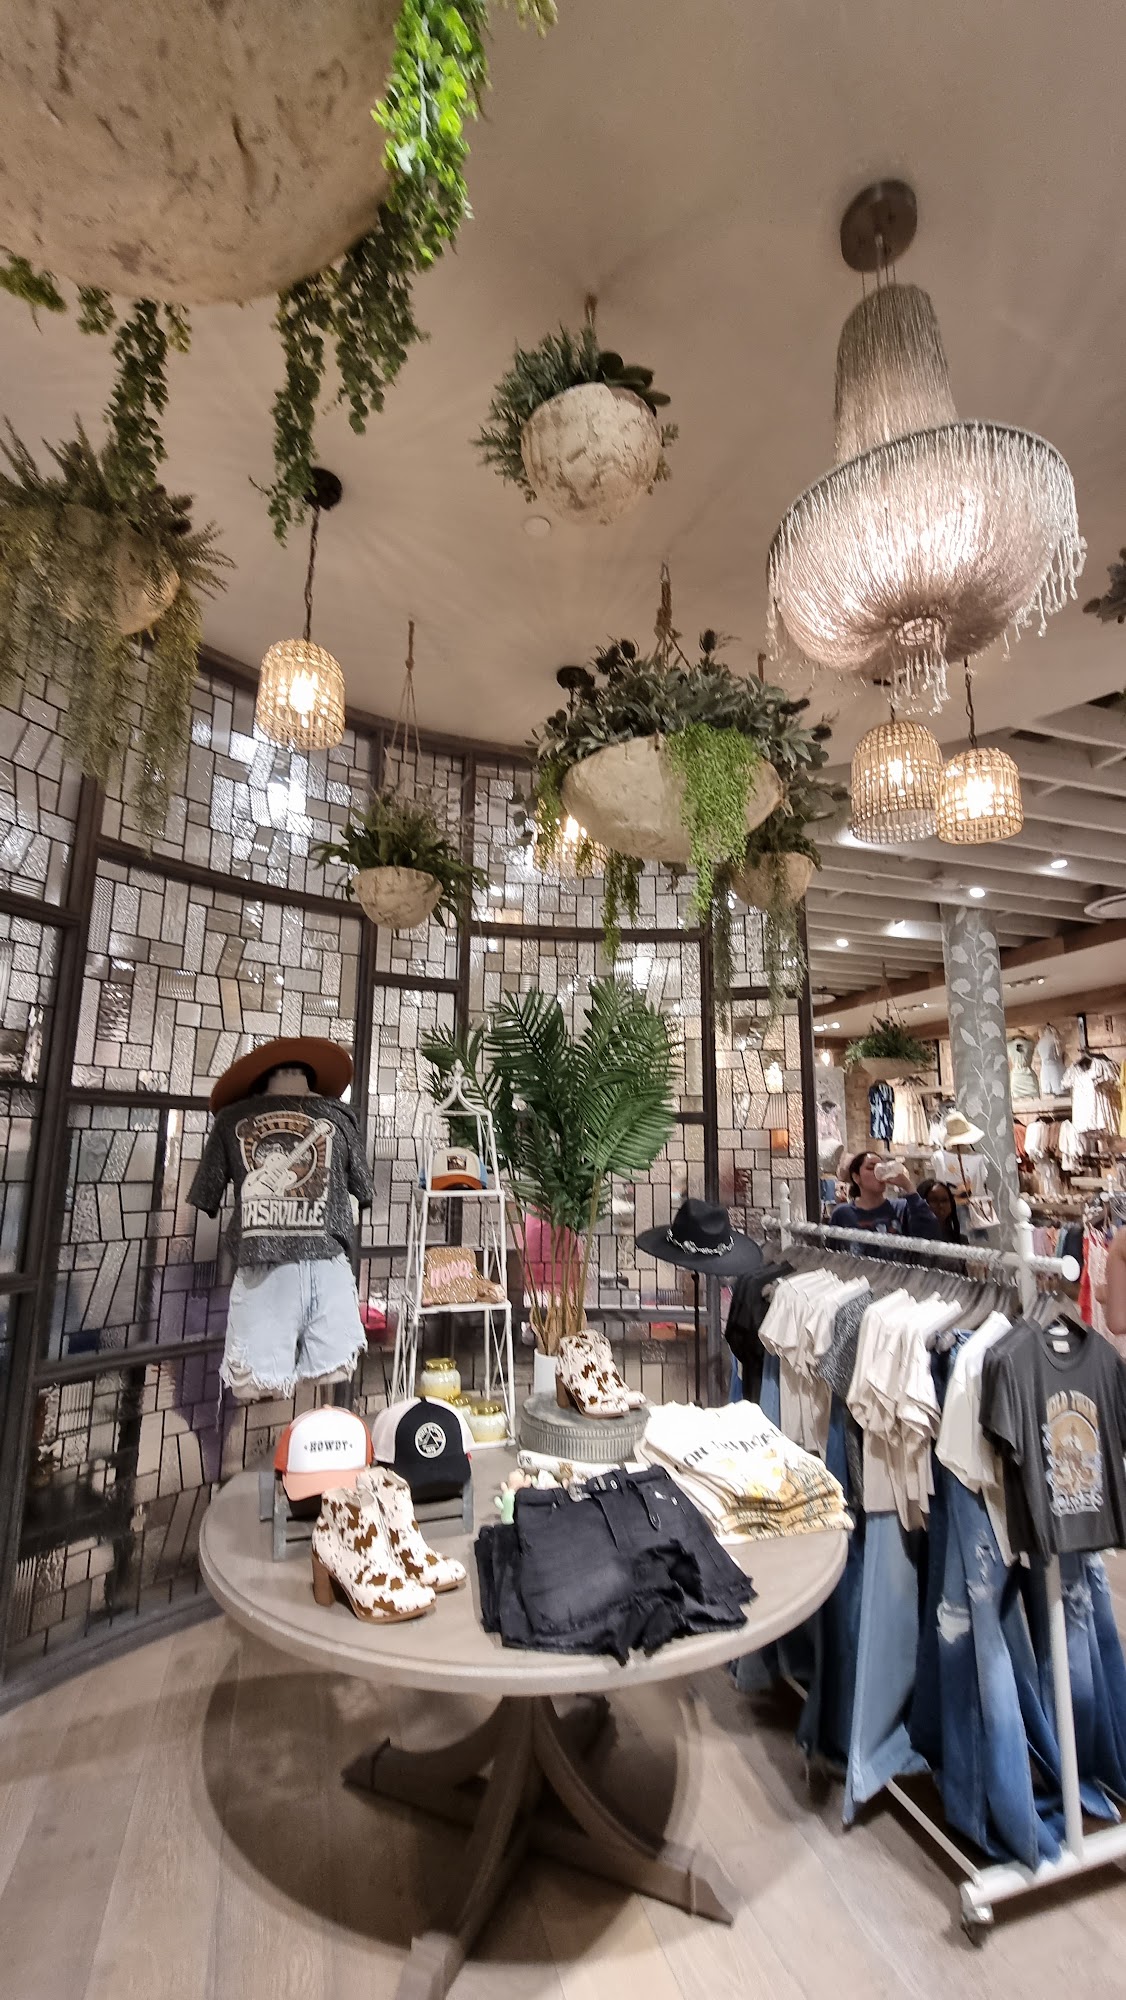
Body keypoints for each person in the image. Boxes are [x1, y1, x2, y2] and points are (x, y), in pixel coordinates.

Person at [831, 1151, 940, 1239]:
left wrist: (908, 1187)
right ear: (856, 1177)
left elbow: (930, 1233)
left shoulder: (901, 1208)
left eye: (882, 1167)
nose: (878, 1171)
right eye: (871, 1168)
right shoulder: (842, 1213)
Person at [918, 1177, 963, 1243]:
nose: (940, 1205)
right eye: (933, 1200)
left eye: (944, 1200)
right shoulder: (912, 1239)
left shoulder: (960, 1241)